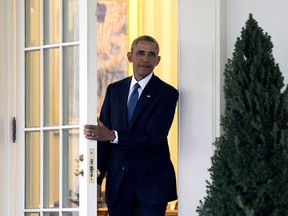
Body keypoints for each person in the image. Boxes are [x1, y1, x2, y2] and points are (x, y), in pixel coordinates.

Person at [84, 35, 178, 216]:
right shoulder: (114, 90)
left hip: (152, 186)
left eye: (151, 55)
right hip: (118, 185)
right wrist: (96, 180)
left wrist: (113, 135)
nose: (145, 59)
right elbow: (102, 137)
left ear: (157, 60)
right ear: (130, 56)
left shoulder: (167, 94)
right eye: (140, 53)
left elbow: (153, 137)